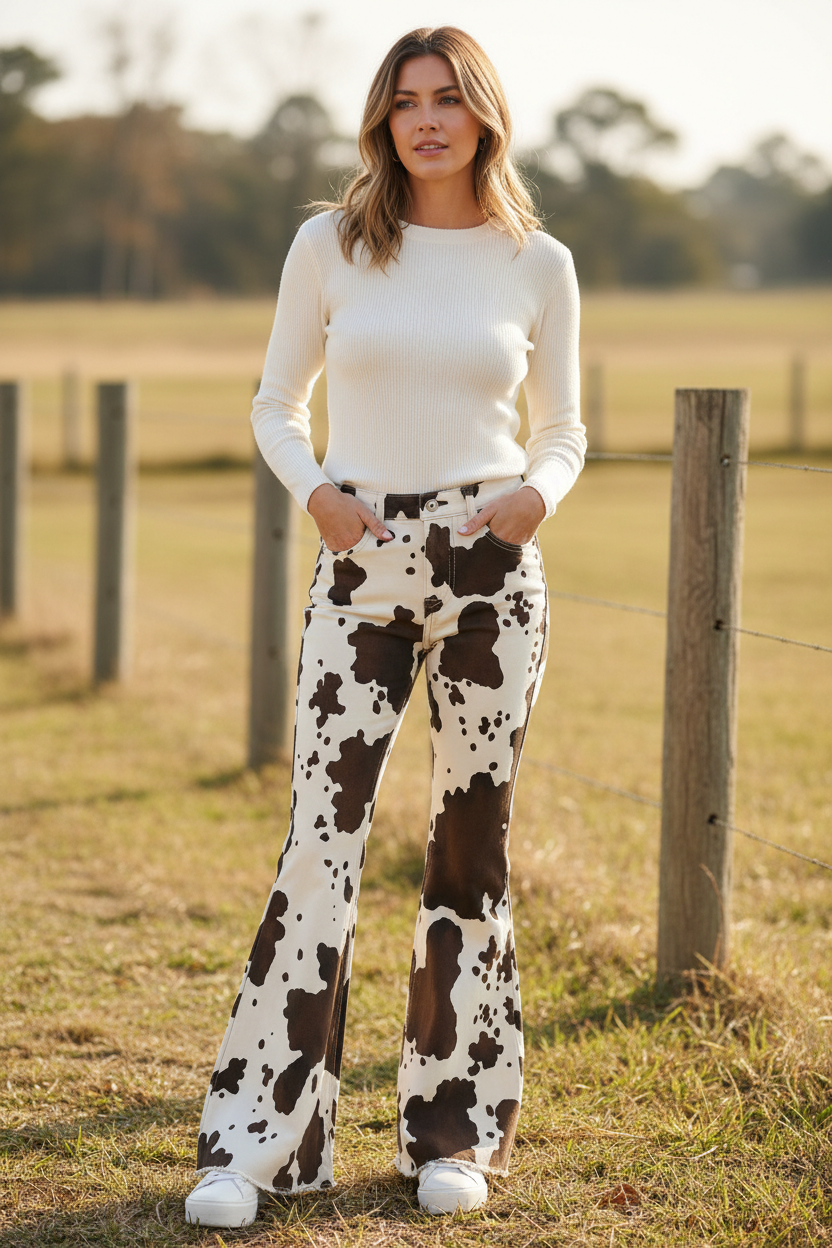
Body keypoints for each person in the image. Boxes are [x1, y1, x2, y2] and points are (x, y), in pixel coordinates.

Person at [185, 25, 584, 1229]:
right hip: (358, 566)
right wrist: (320, 499)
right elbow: (274, 403)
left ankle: (450, 1130)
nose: (425, 120)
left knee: (472, 849)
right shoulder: (332, 245)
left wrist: (530, 501)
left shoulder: (536, 260)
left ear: (483, 117)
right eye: (405, 100)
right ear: (382, 118)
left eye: (447, 100)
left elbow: (562, 428)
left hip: (488, 569)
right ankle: (260, 1139)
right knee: (321, 838)